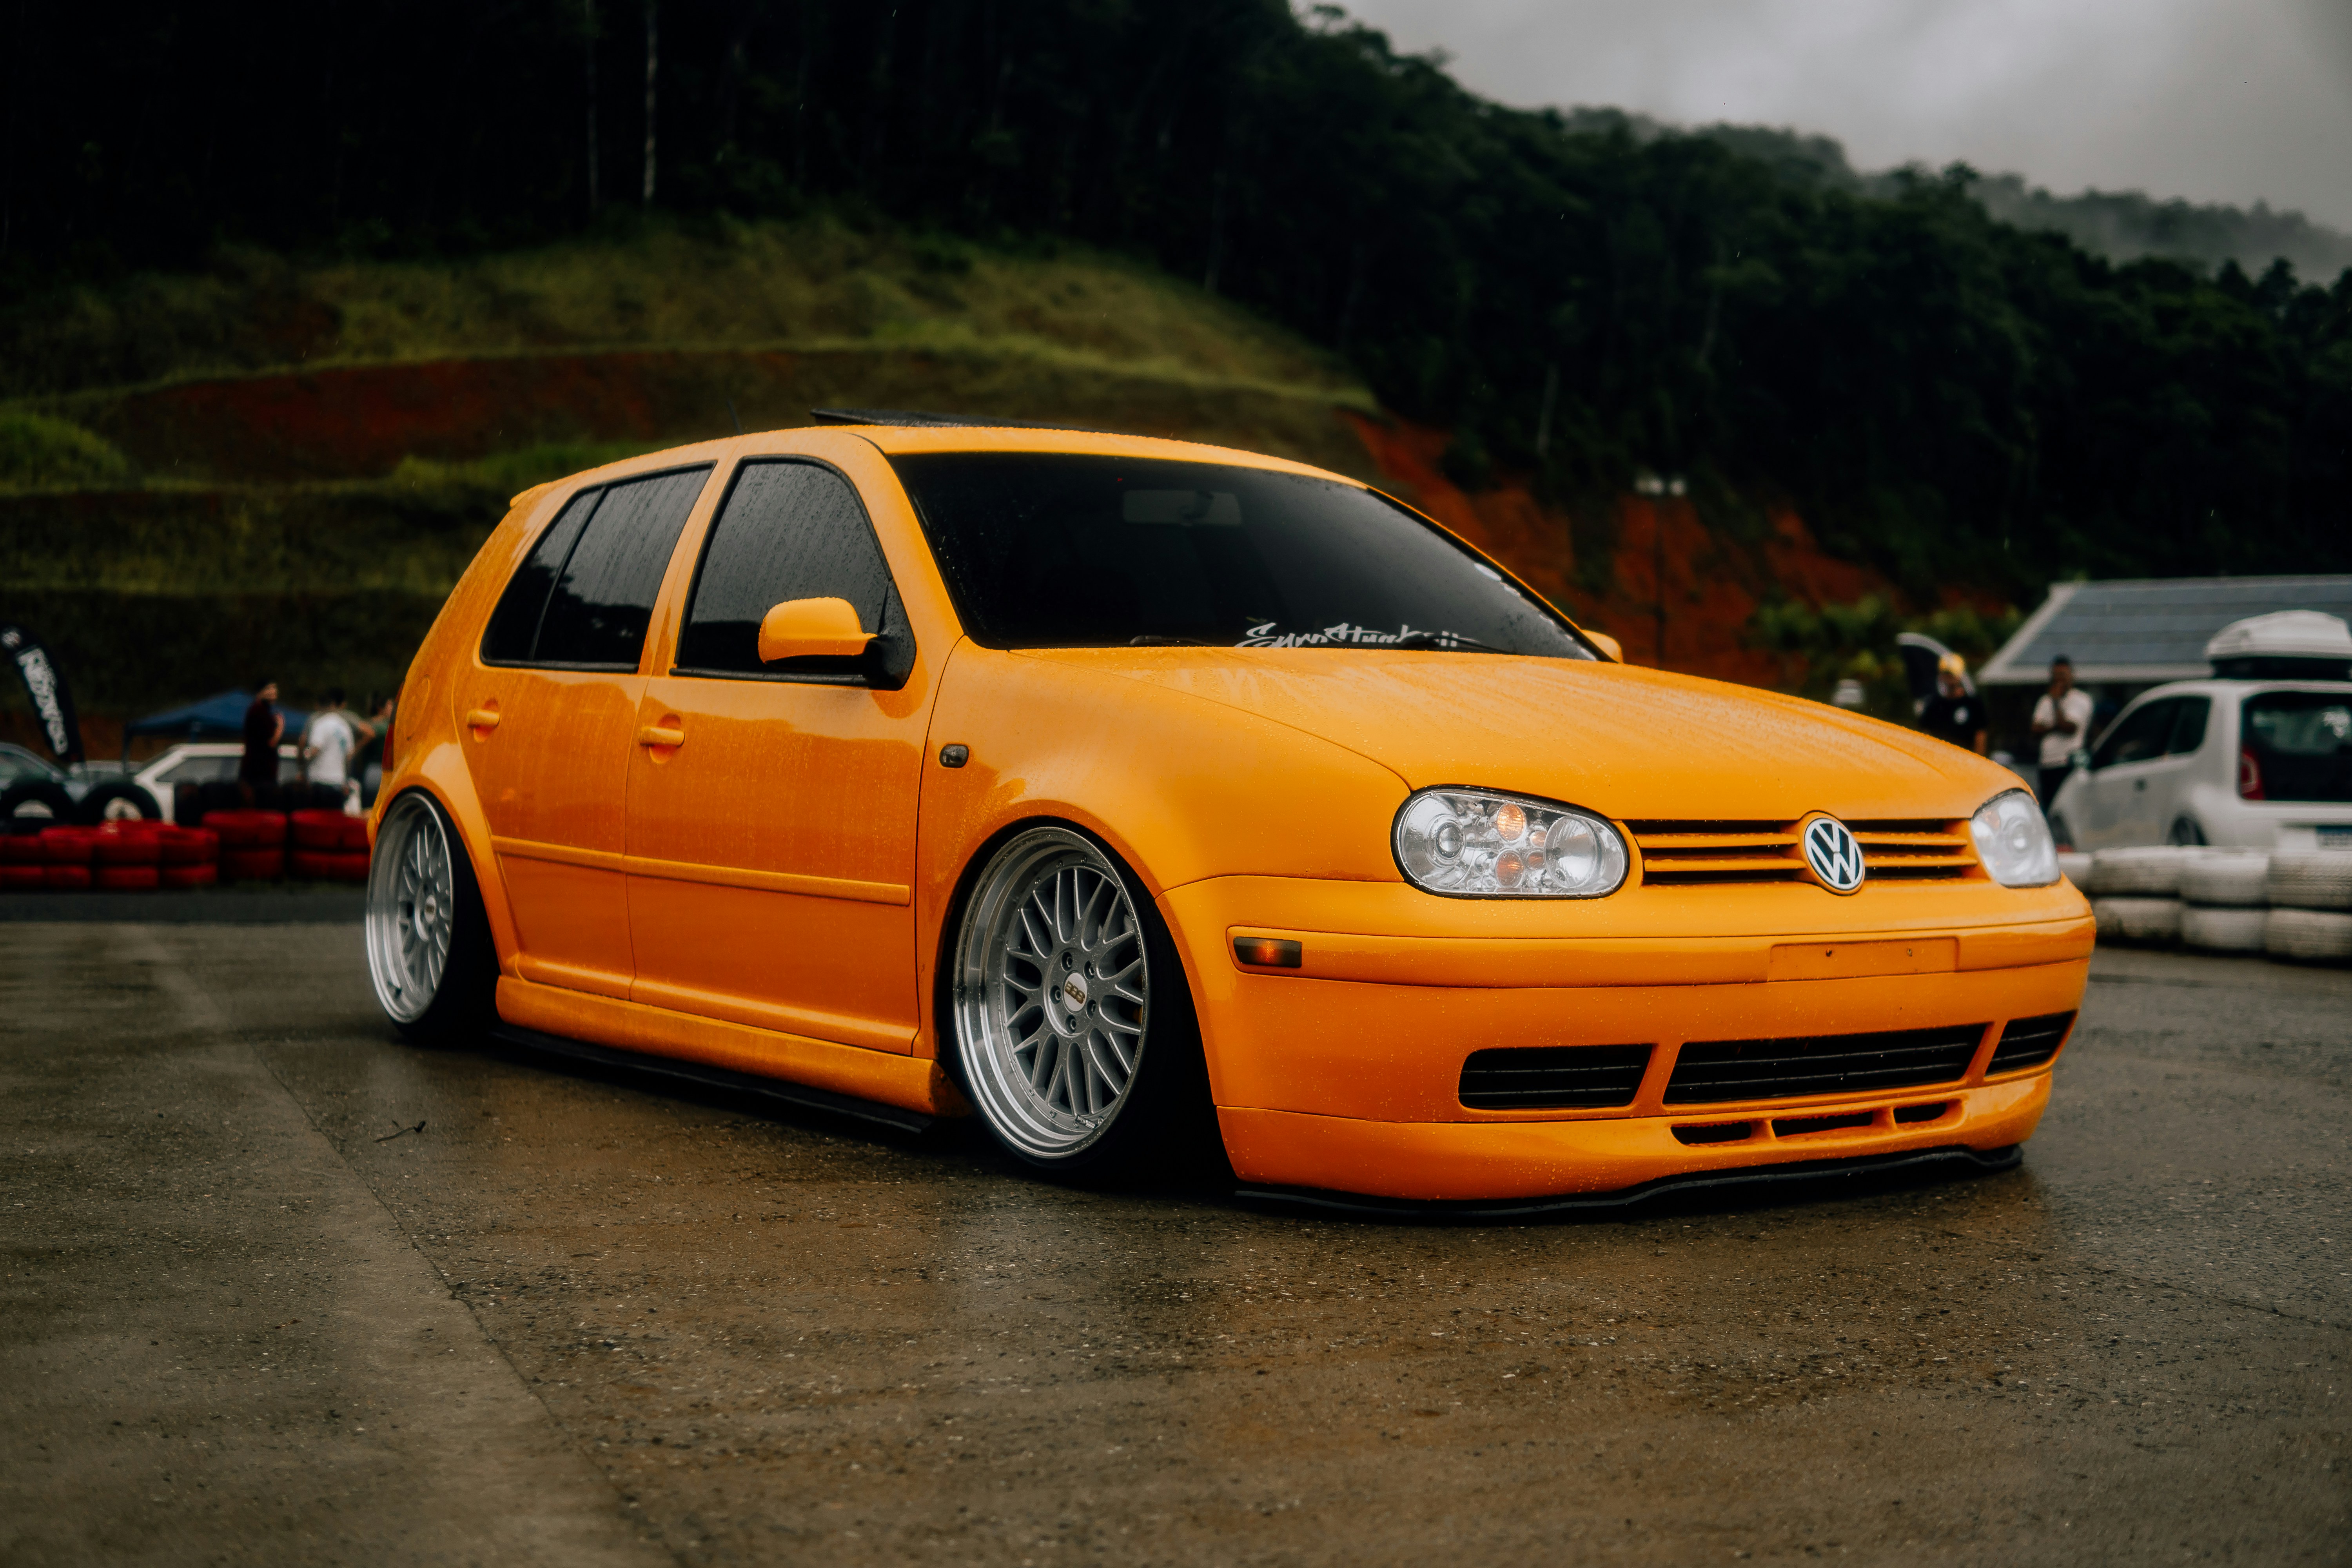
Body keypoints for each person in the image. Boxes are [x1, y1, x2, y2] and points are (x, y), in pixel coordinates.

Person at [303, 688, 394, 808]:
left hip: (317, 778)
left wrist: (303, 758)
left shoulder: (315, 719)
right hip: (339, 778)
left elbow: (306, 743)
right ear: (343, 704)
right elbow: (369, 733)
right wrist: (354, 751)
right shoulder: (346, 720)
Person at [2030, 655, 2094, 806]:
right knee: (2048, 806)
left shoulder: (2081, 699)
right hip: (2047, 764)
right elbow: (2035, 729)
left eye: (2063, 675)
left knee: (2066, 806)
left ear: (2072, 676)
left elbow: (2069, 728)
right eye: (2056, 675)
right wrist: (2054, 726)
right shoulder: (2045, 700)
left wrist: (2057, 702)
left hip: (2068, 763)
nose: (2059, 680)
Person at [1918, 653, 1987, 755]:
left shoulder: (1973, 704)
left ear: (1960, 676)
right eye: (1946, 674)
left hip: (1965, 761)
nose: (1949, 678)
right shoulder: (1935, 705)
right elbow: (1926, 733)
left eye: (1952, 674)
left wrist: (1980, 761)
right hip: (1941, 759)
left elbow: (1980, 735)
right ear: (1941, 676)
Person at [238, 679, 284, 805]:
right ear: (260, 692)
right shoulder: (259, 711)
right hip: (260, 775)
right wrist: (280, 726)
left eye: (275, 688)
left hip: (259, 774)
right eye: (269, 689)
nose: (274, 692)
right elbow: (271, 742)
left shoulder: (263, 711)